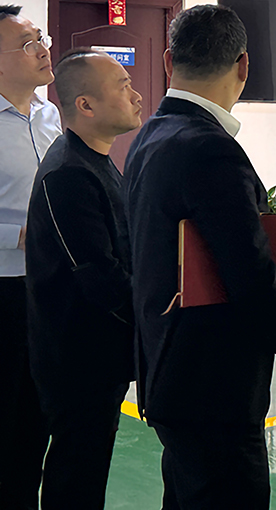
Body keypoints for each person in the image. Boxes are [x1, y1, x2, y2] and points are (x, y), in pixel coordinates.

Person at [123, 4, 276, 509]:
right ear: (243, 66)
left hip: (169, 368)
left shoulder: (150, 137)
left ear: (169, 61)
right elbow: (250, 272)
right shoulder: (209, 149)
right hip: (212, 388)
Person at [25, 49, 142, 509]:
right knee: (76, 478)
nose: (136, 95)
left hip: (100, 355)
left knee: (86, 471)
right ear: (85, 105)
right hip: (78, 360)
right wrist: (159, 319)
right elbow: (100, 278)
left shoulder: (96, 159)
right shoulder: (67, 174)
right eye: (122, 86)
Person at [0, 5, 61, 508]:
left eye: (40, 38)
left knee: (37, 420)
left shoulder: (50, 114)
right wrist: (17, 236)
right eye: (27, 44)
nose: (42, 49)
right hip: (3, 292)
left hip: (49, 289)